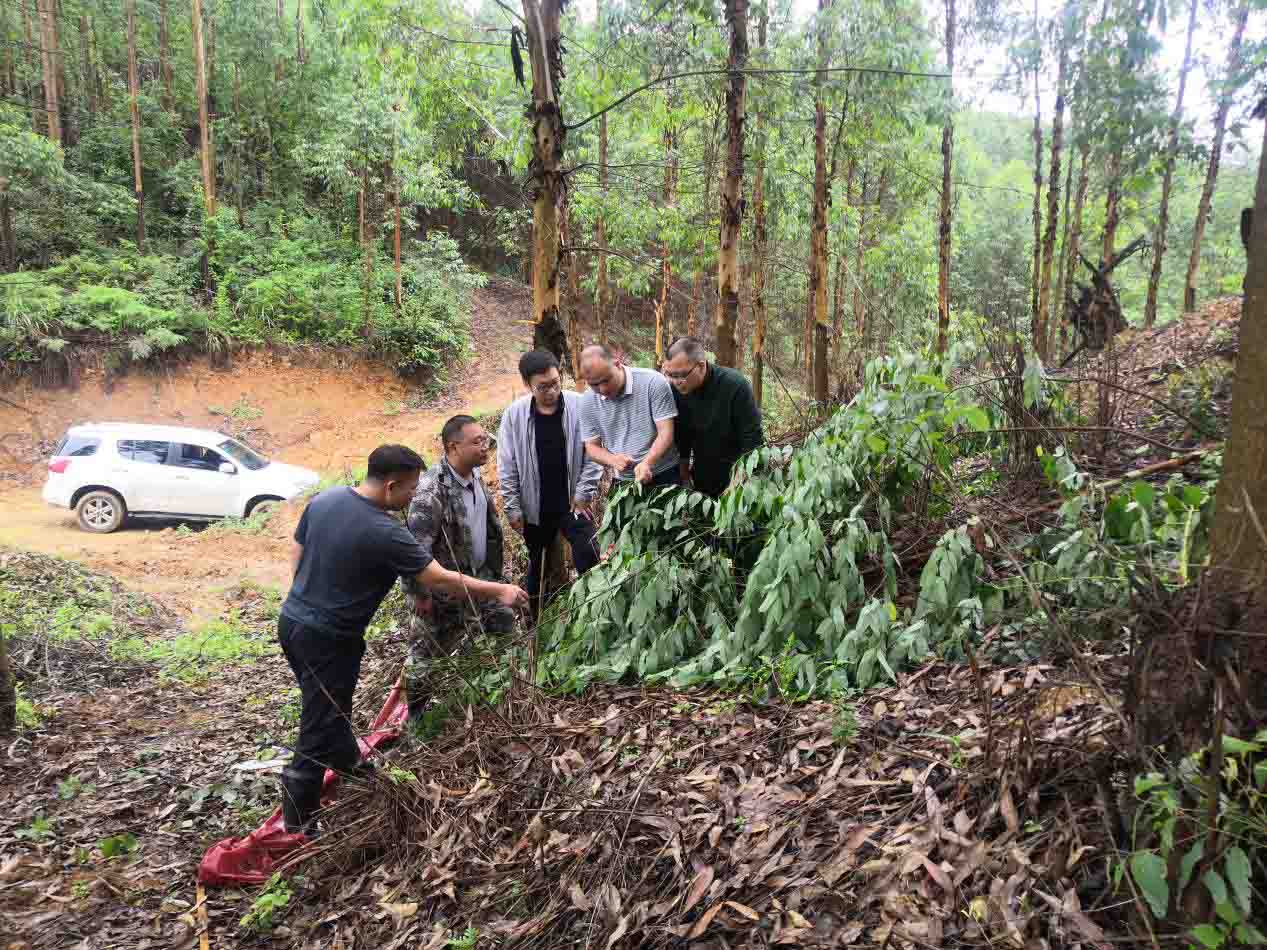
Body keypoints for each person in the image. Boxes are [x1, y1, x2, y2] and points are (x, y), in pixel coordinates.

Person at [278, 444, 528, 836]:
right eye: (411, 490)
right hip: (329, 636)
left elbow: (298, 549)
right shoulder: (385, 532)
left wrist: (304, 595)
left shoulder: (326, 500)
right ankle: (298, 811)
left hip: (292, 622)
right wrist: (499, 591)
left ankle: (351, 765)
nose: (415, 497)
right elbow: (439, 578)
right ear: (391, 485)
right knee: (321, 715)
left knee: (329, 701)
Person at [403, 415, 517, 723]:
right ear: (453, 447)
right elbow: (413, 550)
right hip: (442, 593)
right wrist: (419, 595)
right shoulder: (431, 491)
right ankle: (417, 722)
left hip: (481, 580)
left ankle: (501, 699)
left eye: (485, 440)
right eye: (477, 442)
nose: (485, 447)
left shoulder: (474, 476)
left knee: (505, 628)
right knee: (424, 660)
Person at [497, 350, 602, 616]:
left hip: (573, 502)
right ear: (527, 385)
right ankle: (538, 619)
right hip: (535, 507)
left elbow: (595, 451)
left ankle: (593, 612)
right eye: (542, 387)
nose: (551, 391)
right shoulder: (514, 415)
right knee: (539, 565)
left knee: (588, 553)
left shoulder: (580, 405)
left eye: (556, 382)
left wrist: (584, 492)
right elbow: (507, 464)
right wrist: (512, 507)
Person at [663, 336, 764, 499]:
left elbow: (752, 440)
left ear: (701, 366)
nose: (676, 382)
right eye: (670, 375)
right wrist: (684, 477)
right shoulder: (676, 390)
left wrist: (738, 483)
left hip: (740, 473)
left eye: (681, 375)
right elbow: (682, 436)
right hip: (703, 475)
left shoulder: (735, 385)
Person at [578, 344, 680, 489]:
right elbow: (591, 446)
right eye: (594, 385)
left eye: (606, 380)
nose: (602, 389)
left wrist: (647, 463)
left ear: (617, 364)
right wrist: (612, 459)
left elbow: (666, 432)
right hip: (623, 480)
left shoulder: (652, 382)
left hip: (664, 472)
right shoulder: (587, 401)